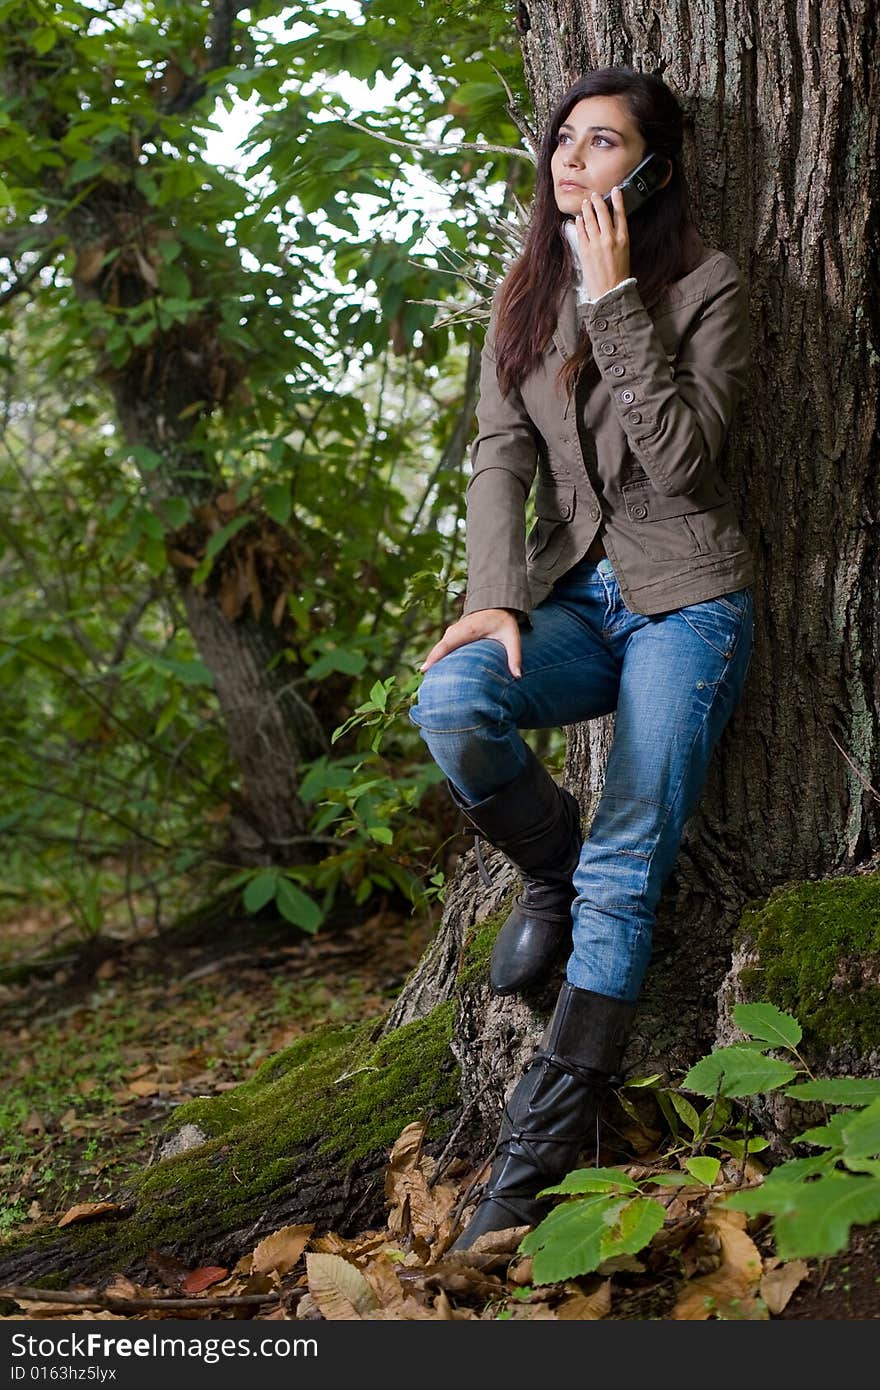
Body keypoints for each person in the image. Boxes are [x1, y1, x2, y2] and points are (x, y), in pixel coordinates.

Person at [408, 66, 755, 1250]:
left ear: (651, 169)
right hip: (568, 598)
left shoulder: (707, 287)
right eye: (562, 138)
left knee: (631, 849)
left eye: (600, 142)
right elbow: (497, 453)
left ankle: (535, 1149)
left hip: (686, 603)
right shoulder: (523, 295)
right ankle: (543, 874)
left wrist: (616, 299)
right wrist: (493, 597)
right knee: (452, 700)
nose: (568, 157)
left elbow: (682, 464)